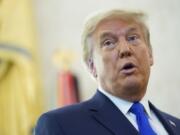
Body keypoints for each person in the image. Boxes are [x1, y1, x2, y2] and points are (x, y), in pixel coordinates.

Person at [35, 9, 180, 135]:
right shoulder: (61, 125)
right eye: (108, 43)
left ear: (150, 55)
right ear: (91, 66)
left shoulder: (177, 126)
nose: (125, 49)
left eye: (133, 38)